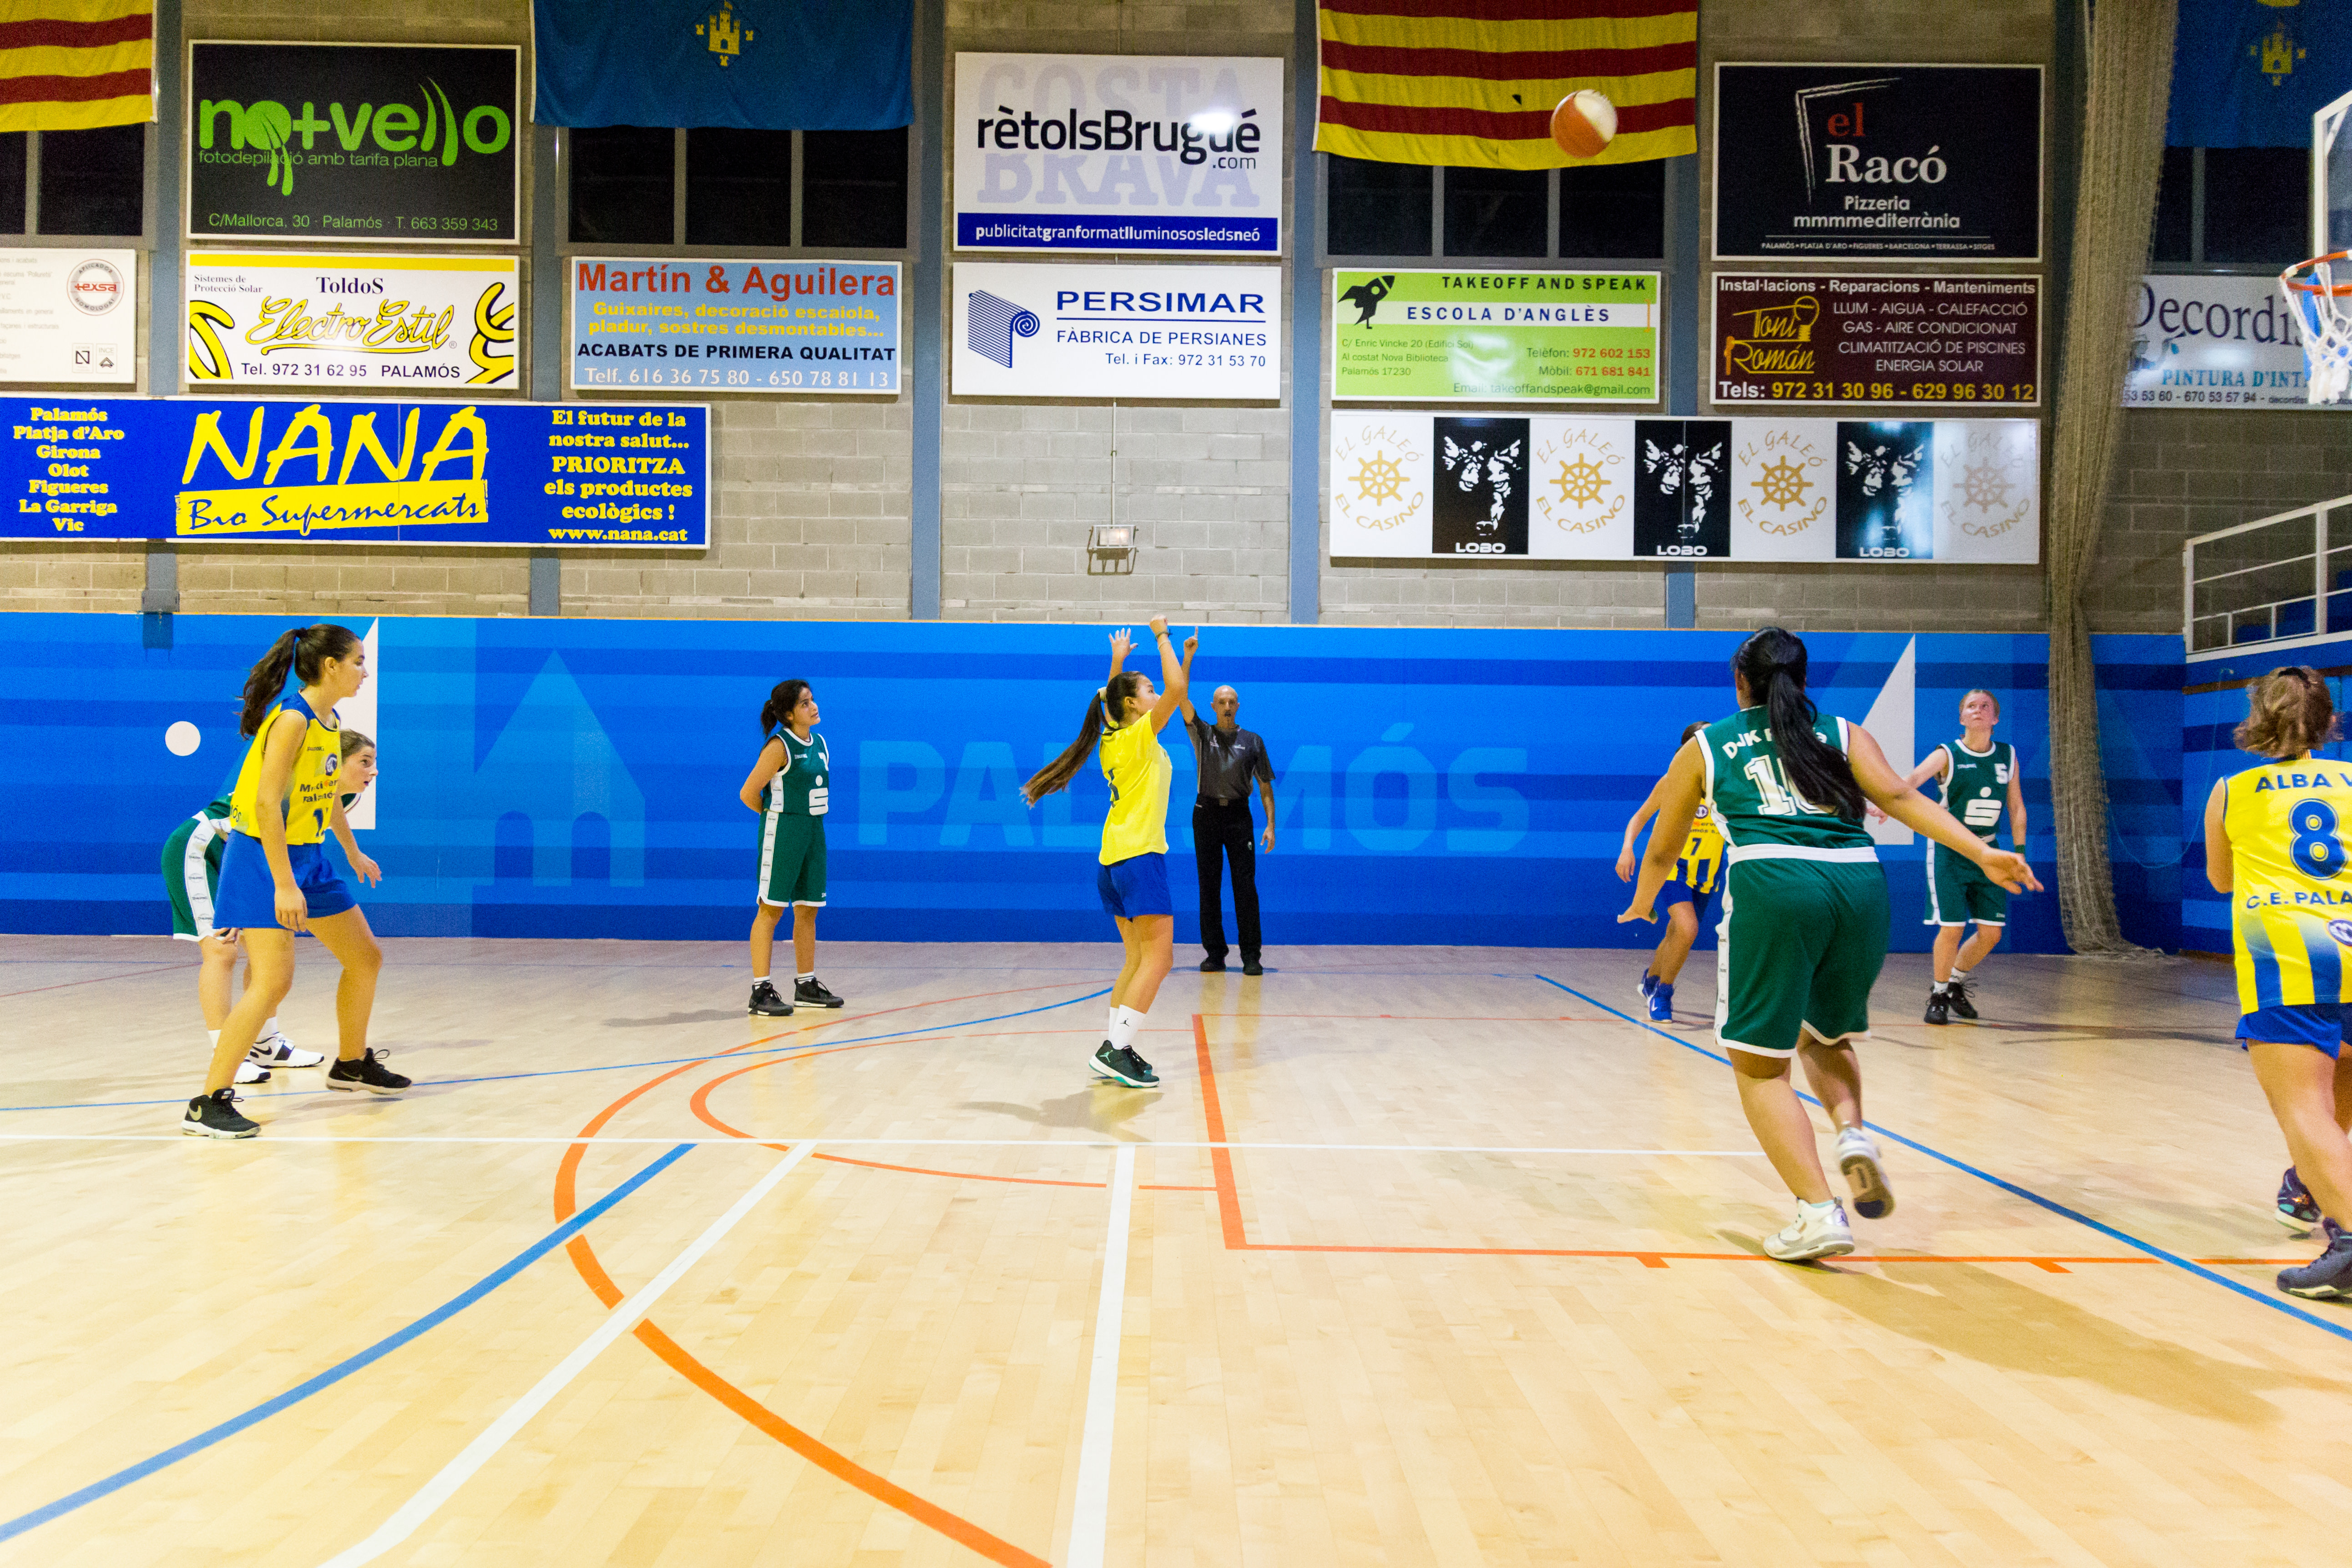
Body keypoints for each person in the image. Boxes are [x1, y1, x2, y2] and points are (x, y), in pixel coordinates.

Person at [1619, 627, 2039, 1262]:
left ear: (1740, 682)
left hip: (1775, 883)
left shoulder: (1707, 744)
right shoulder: (1845, 733)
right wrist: (1982, 852)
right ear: (1804, 679)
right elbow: (1899, 795)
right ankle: (1852, 1135)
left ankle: (1818, 1212)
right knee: (1823, 1035)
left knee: (1760, 1067)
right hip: (1860, 887)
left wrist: (1643, 901)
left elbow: (1662, 847)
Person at [184, 626, 406, 1139]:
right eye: (357, 661)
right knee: (273, 981)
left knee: (365, 957)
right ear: (330, 666)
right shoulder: (292, 720)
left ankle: (350, 1064)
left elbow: (325, 794)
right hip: (263, 857)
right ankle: (206, 1102)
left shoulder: (331, 721)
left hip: (309, 856)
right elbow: (267, 804)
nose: (364, 671)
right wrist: (284, 884)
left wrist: (351, 850)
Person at [2201, 666, 2352, 1297]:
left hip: (2289, 958)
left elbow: (2221, 879)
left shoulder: (2232, 790)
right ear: (2328, 719)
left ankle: (2349, 1242)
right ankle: (2308, 1187)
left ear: (2257, 718)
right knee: (2336, 1096)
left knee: (2304, 1108)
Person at [1023, 614, 1187, 1087]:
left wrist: (1117, 662)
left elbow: (1110, 698)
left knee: (1136, 960)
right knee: (1159, 959)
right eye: (1149, 690)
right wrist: (1162, 635)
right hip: (1139, 857)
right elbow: (1178, 688)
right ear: (1133, 704)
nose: (1157, 693)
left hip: (1112, 861)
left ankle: (1115, 1047)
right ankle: (1117, 1050)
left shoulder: (1112, 737)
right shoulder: (1137, 735)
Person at [1902, 688, 2029, 1025]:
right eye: (1971, 706)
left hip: (1990, 851)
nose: (1978, 710)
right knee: (1953, 927)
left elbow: (2016, 807)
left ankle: (1955, 983)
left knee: (1992, 933)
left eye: (1985, 706)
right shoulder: (1947, 754)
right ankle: (1938, 994)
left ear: (1995, 718)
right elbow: (1913, 779)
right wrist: (1886, 802)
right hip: (1951, 850)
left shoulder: (2007, 755)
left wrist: (2019, 855)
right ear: (1961, 717)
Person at [738, 679, 844, 1017]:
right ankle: (760, 991)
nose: (813, 707)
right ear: (788, 714)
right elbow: (748, 794)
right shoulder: (778, 747)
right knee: (771, 909)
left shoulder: (820, 743)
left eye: (812, 700)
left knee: (808, 908)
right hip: (783, 831)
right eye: (804, 703)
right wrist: (777, 818)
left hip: (814, 831)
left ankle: (806, 985)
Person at [1175, 640, 1276, 976]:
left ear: (1238, 706)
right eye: (1222, 702)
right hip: (1205, 814)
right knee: (1209, 886)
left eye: (1232, 701)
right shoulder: (1202, 733)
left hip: (1238, 817)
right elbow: (1179, 695)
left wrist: (1270, 825)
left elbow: (1265, 787)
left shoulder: (1254, 741)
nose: (1228, 706)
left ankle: (1251, 956)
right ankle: (1215, 954)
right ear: (1214, 706)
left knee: (1245, 888)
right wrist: (1188, 657)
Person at [1616, 721, 1723, 1023]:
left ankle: (1651, 979)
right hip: (1674, 868)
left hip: (1707, 872)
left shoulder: (1724, 783)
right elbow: (1640, 817)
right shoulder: (1673, 781)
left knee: (1677, 933)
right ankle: (1662, 993)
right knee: (1688, 929)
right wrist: (1627, 848)